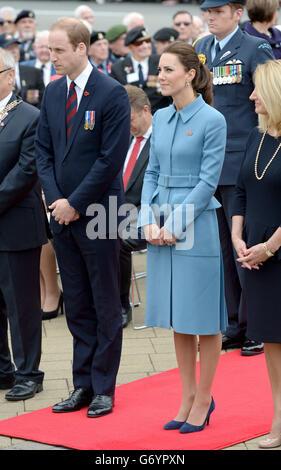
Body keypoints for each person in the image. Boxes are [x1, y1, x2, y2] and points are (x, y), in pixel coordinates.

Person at [35, 18, 130, 418]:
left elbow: (110, 159)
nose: (51, 57)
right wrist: (58, 201)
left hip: (101, 211)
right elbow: (44, 152)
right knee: (75, 300)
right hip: (63, 214)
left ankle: (105, 387)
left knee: (105, 299)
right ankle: (83, 384)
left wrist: (74, 201)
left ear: (81, 48)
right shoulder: (54, 92)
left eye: (58, 50)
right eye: (49, 50)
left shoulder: (111, 93)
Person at [139, 41, 227, 433]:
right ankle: (186, 396)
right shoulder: (160, 117)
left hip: (195, 226)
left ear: (190, 74)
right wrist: (146, 221)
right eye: (159, 69)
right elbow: (152, 173)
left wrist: (173, 225)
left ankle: (204, 398)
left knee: (204, 319)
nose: (160, 75)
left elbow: (209, 182)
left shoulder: (212, 120)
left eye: (168, 69)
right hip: (159, 225)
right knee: (178, 317)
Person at [193, 0, 275, 356]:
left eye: (218, 12)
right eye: (206, 12)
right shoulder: (200, 49)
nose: (210, 18)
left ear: (237, 13)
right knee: (223, 248)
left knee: (243, 242)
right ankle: (233, 323)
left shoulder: (254, 47)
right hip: (207, 160)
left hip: (243, 160)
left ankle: (254, 324)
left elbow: (270, 97)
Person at [231, 60, 281, 449]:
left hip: (275, 251)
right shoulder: (256, 136)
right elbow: (241, 191)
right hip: (255, 256)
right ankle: (279, 414)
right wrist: (237, 235)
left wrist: (270, 246)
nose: (250, 96)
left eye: (257, 90)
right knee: (270, 340)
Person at [0, 47, 47, 400]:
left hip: (16, 225)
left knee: (22, 306)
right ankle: (2, 369)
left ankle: (28, 372)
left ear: (8, 75)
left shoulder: (28, 116)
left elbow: (27, 171)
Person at [120, 85, 151, 328]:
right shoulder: (124, 140)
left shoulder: (160, 140)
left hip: (148, 214)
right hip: (115, 211)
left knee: (115, 240)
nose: (127, 125)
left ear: (145, 110)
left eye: (130, 119)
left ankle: (121, 306)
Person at [110, 26, 171, 114]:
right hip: (130, 115)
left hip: (158, 113)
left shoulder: (162, 61)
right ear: (130, 46)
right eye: (139, 43)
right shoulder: (118, 68)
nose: (145, 46)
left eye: (147, 41)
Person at [0, 33, 45, 108]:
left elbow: (43, 99)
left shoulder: (33, 72)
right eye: (9, 48)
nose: (14, 51)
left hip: (31, 116)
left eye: (16, 47)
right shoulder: (2, 74)